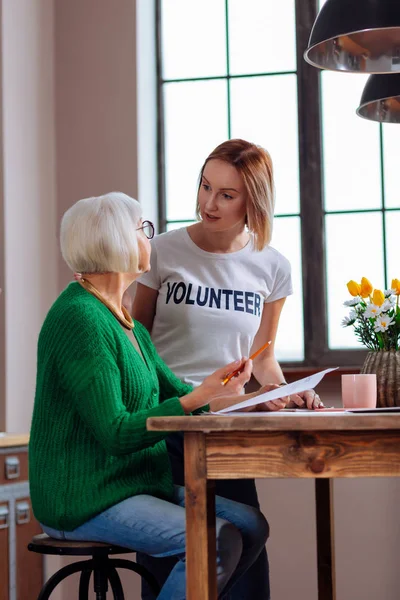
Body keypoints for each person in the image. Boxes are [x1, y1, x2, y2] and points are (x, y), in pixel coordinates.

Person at [28, 191, 284, 600]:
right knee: (211, 538)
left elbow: (186, 394)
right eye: (142, 229)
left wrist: (242, 393)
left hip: (131, 485)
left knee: (250, 525)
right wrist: (192, 398)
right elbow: (115, 432)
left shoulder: (127, 323)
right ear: (116, 241)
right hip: (85, 496)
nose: (151, 237)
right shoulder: (80, 318)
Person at [132, 139, 323, 600]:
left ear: (252, 202)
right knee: (173, 556)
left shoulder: (272, 267)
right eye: (204, 186)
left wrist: (285, 392)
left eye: (225, 194)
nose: (207, 203)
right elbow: (137, 341)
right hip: (169, 424)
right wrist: (187, 397)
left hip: (230, 432)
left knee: (240, 562)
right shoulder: (162, 251)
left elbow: (262, 357)